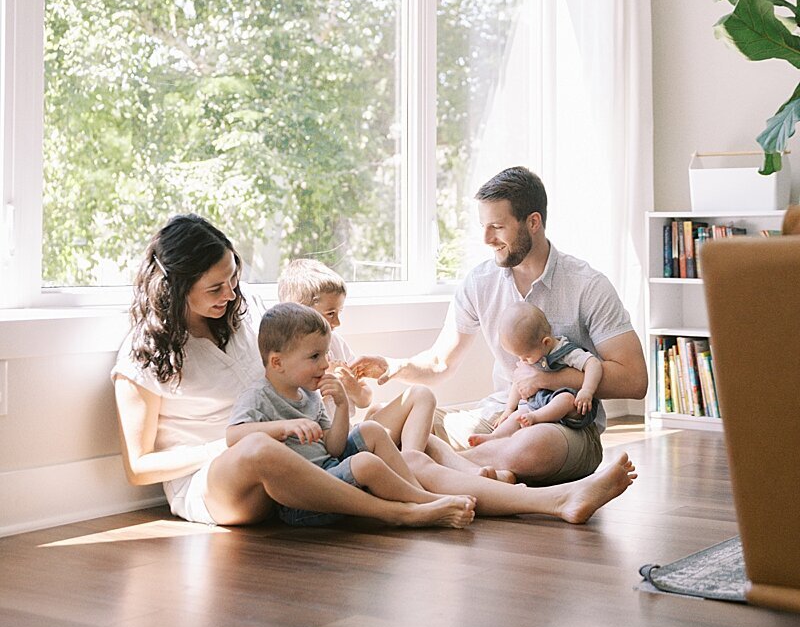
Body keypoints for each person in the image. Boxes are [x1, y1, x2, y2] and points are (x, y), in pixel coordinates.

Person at [112, 212, 637, 528]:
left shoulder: (244, 318)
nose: (231, 296)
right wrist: (235, 441)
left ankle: (552, 500)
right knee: (257, 447)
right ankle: (402, 514)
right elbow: (139, 466)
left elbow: (293, 371)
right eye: (215, 289)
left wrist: (333, 388)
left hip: (306, 452)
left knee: (409, 435)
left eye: (234, 279)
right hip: (227, 481)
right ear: (174, 287)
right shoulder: (143, 354)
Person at [353, 165, 648, 486]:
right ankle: (461, 471)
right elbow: (440, 362)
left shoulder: (587, 285)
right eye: (483, 226)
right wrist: (394, 366)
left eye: (497, 226)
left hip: (565, 424)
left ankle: (430, 467)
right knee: (381, 422)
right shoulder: (480, 282)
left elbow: (634, 380)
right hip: (497, 417)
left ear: (533, 222)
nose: (486, 238)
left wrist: (547, 379)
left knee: (532, 447)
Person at [228, 302, 475, 527]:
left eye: (325, 354)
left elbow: (333, 448)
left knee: (371, 429)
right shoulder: (257, 396)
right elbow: (233, 436)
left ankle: (419, 494)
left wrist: (343, 405)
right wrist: (283, 427)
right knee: (364, 463)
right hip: (304, 501)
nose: (325, 364)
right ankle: (426, 502)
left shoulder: (310, 394)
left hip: (331, 469)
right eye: (315, 356)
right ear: (277, 362)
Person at [277, 258, 436, 452]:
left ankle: (413, 458)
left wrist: (351, 387)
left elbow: (365, 398)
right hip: (327, 449)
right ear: (301, 311)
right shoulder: (286, 361)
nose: (338, 322)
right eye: (330, 313)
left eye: (339, 312)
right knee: (384, 421)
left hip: (350, 438)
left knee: (417, 396)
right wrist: (327, 384)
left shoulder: (335, 342)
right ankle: (413, 463)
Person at [467, 303, 602, 447]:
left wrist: (587, 390)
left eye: (526, 357)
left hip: (572, 409)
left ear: (546, 342)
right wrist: (509, 409)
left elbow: (593, 364)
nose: (522, 360)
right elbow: (517, 383)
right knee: (518, 416)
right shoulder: (533, 352)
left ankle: (535, 418)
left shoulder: (566, 352)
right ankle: (495, 437)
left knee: (565, 399)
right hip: (538, 405)